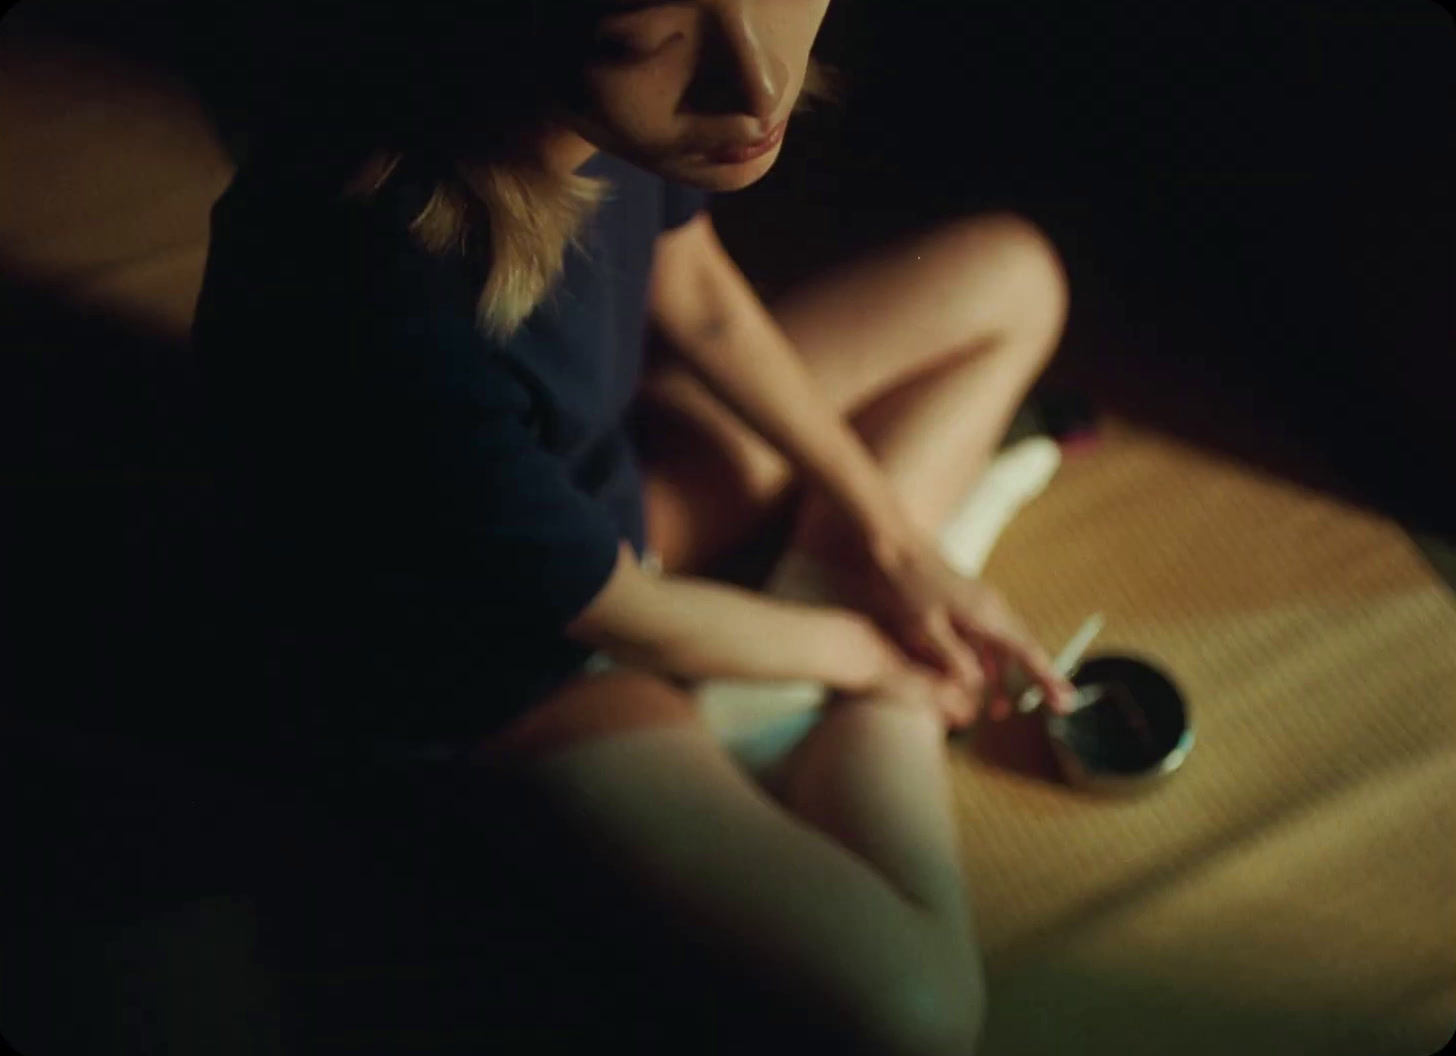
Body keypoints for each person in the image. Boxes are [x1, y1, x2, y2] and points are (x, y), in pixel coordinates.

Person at [191, 0, 1080, 1051]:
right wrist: (870, 661)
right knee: (915, 1015)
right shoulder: (380, 293)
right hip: (500, 670)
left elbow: (697, 298)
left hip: (596, 493)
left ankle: (839, 598)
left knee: (1010, 274)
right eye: (638, 37)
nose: (756, 84)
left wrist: (894, 543)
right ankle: (862, 703)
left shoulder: (610, 109)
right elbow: (620, 612)